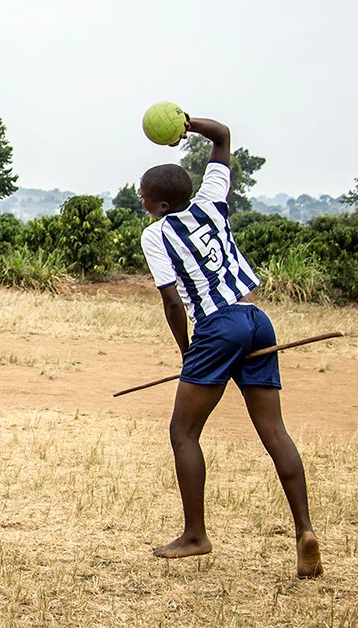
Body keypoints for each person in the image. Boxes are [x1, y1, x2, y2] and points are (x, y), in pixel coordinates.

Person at [138, 113, 322, 578]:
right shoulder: (212, 201)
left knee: (183, 432)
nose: (141, 202)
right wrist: (187, 122)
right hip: (256, 319)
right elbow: (221, 135)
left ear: (159, 205)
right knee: (273, 430)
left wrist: (187, 351)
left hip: (217, 329)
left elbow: (172, 300)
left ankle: (196, 535)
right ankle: (304, 529)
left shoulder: (156, 234)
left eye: (143, 197)